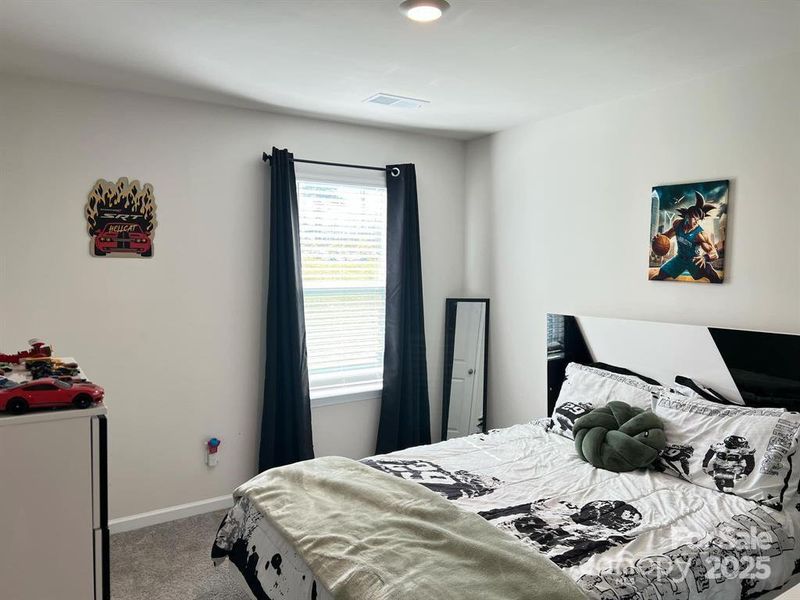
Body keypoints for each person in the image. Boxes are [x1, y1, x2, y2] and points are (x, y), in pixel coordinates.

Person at [652, 192, 722, 283]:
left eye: (697, 219)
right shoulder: (678, 224)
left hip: (694, 261)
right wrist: (658, 238)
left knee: (712, 275)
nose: (695, 221)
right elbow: (667, 236)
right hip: (679, 259)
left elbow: (714, 253)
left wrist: (705, 257)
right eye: (693, 217)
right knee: (661, 273)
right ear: (687, 216)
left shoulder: (700, 234)